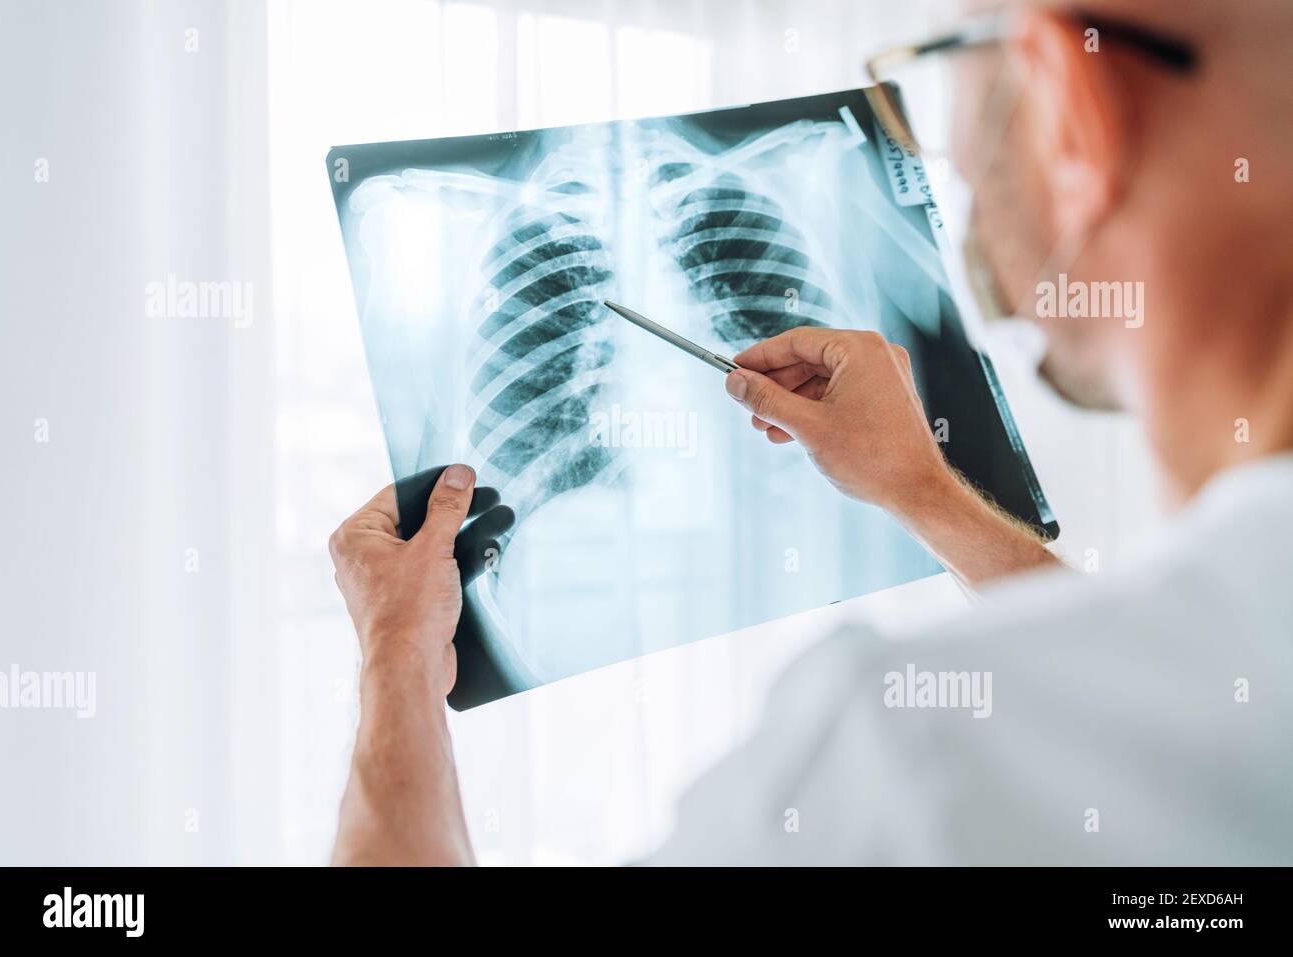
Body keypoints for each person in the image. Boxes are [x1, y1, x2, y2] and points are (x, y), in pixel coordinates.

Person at [327, 0, 1293, 865]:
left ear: (1073, 103)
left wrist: (398, 658)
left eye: (944, 53)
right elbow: (1146, 689)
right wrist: (920, 486)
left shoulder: (905, 769)